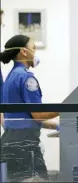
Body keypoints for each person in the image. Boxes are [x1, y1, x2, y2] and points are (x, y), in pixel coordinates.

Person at [0, 34, 60, 181]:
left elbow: (22, 117)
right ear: (24, 52)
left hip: (11, 142)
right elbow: (38, 115)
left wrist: (58, 126)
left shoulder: (11, 77)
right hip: (25, 147)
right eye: (33, 48)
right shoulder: (26, 78)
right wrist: (66, 108)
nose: (35, 53)